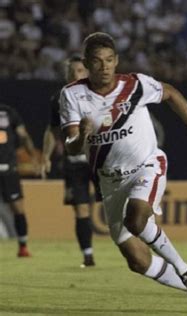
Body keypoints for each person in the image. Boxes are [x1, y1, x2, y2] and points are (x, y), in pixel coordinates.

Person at [59, 32, 187, 314]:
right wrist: (82, 136)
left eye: (110, 60)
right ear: (86, 64)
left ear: (116, 60)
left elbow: (171, 92)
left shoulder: (134, 84)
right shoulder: (72, 95)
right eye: (97, 61)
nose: (105, 66)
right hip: (109, 181)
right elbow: (72, 148)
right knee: (136, 260)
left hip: (146, 165)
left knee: (136, 219)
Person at [41, 55, 99, 268]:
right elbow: (52, 130)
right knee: (81, 209)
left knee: (115, 205)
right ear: (66, 75)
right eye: (72, 71)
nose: (76, 75)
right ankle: (88, 255)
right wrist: (46, 157)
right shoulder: (59, 98)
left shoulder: (100, 94)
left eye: (81, 71)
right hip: (74, 162)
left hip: (99, 161)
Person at [0, 103, 39, 257]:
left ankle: (23, 246)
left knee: (18, 208)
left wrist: (33, 157)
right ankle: (22, 246)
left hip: (9, 169)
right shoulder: (8, 112)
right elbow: (23, 135)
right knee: (17, 208)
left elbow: (23, 135)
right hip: (8, 169)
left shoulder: (9, 111)